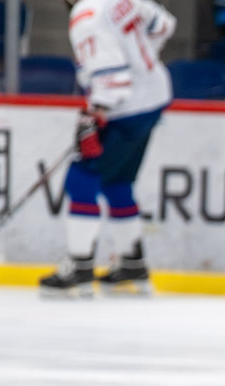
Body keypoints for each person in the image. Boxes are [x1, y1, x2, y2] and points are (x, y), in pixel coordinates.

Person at [39, 0, 175, 298]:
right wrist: (140, 60)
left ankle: (79, 268)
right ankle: (131, 264)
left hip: (125, 108)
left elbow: (111, 77)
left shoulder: (86, 15)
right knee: (118, 181)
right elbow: (164, 25)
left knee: (81, 178)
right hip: (153, 98)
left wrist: (96, 110)